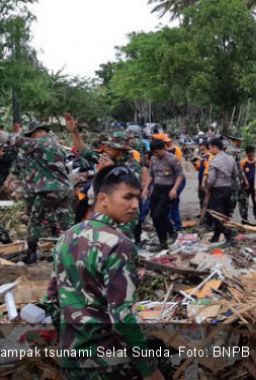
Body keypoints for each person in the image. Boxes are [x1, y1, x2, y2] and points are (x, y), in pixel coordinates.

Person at [45, 165, 164, 380]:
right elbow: (122, 316)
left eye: (138, 198)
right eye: (127, 197)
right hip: (109, 364)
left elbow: (52, 299)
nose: (135, 205)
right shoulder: (119, 244)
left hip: (71, 360)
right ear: (103, 199)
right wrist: (149, 369)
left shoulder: (67, 237)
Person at [0, 123, 73, 264]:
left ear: (38, 133)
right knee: (67, 225)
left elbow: (9, 139)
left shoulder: (39, 144)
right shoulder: (58, 147)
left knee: (35, 222)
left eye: (31, 135)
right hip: (64, 191)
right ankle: (73, 253)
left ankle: (31, 254)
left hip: (47, 191)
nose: (31, 138)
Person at [66, 114, 144, 242]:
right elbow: (84, 151)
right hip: (107, 208)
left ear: (119, 149)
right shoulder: (106, 157)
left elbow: (132, 186)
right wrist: (75, 132)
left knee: (120, 241)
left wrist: (112, 169)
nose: (106, 148)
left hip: (124, 210)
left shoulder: (132, 165)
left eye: (110, 146)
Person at [142, 140, 184, 252]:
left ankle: (171, 231)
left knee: (158, 215)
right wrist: (146, 187)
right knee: (155, 217)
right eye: (153, 152)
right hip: (156, 189)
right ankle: (163, 242)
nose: (155, 154)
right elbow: (151, 175)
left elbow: (180, 175)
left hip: (168, 189)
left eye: (157, 152)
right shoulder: (153, 159)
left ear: (163, 148)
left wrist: (175, 189)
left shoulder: (172, 159)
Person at [206, 138, 238, 245]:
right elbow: (235, 174)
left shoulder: (214, 160)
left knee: (217, 215)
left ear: (215, 147)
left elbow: (211, 179)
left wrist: (208, 189)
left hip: (218, 190)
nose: (209, 149)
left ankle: (229, 236)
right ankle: (216, 236)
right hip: (228, 189)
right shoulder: (230, 159)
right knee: (224, 213)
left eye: (210, 147)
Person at [225, 132, 250, 222]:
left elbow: (239, 167)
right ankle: (226, 223)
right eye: (240, 141)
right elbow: (230, 168)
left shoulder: (235, 151)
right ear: (236, 141)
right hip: (233, 183)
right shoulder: (230, 151)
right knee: (232, 202)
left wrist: (244, 179)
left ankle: (245, 221)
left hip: (238, 182)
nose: (241, 143)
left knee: (244, 199)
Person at [163, 135, 186, 232]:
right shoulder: (161, 152)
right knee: (169, 203)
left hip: (177, 180)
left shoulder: (176, 151)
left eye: (168, 141)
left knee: (173, 203)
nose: (167, 143)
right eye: (165, 142)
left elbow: (179, 168)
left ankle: (176, 226)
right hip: (169, 180)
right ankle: (172, 225)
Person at [240, 146, 256, 221]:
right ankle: (244, 220)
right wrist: (245, 181)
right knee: (244, 203)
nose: (251, 157)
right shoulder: (243, 162)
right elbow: (241, 172)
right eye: (250, 155)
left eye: (253, 155)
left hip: (255, 186)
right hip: (246, 186)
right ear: (246, 154)